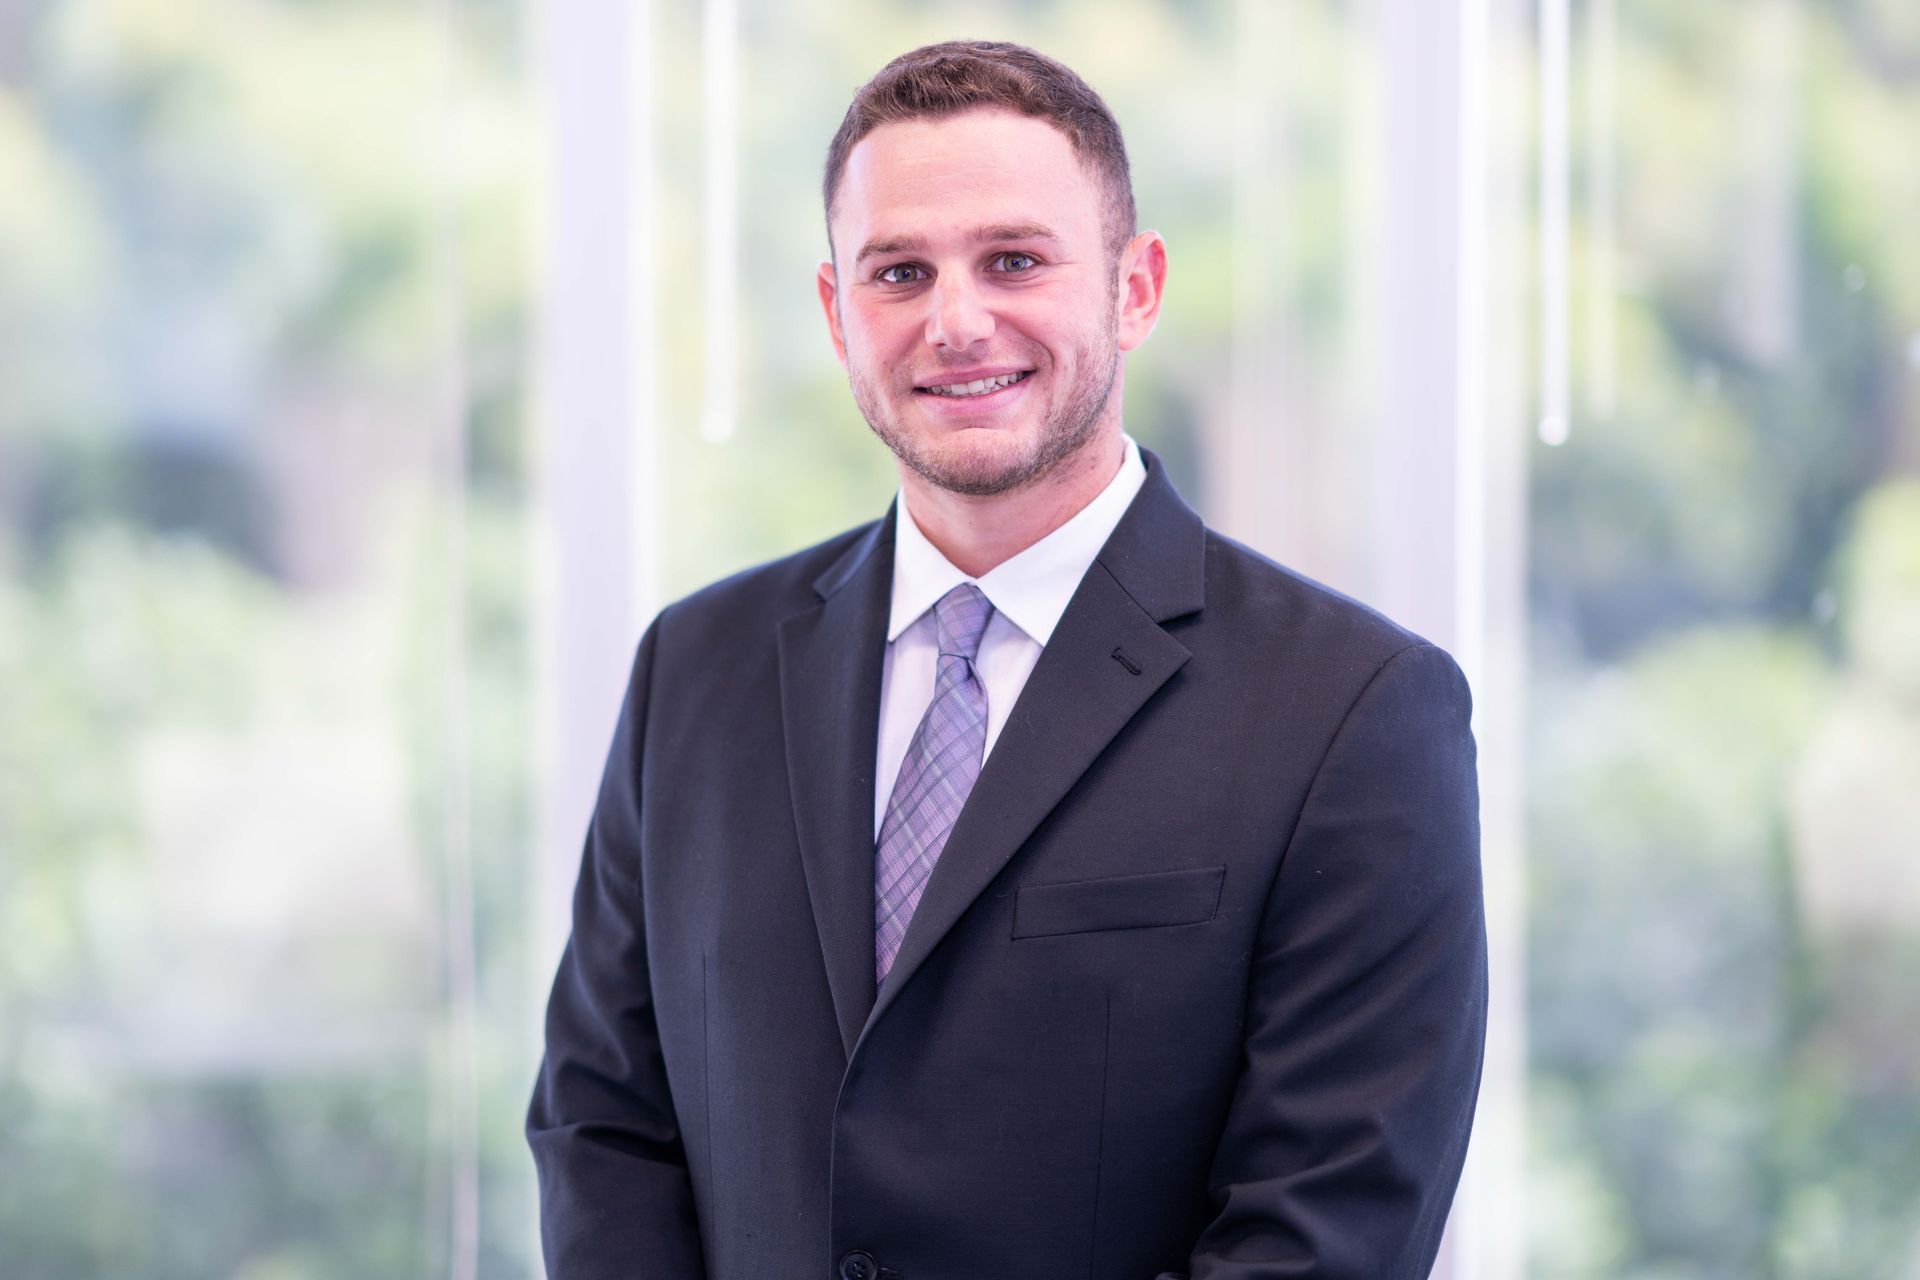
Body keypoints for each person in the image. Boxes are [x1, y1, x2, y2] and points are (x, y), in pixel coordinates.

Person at [527, 40, 1486, 1280]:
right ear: (836, 312)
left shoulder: (1354, 713)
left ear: (1135, 288)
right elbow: (603, 1124)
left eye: (1015, 260)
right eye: (900, 271)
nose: (956, 320)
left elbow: (1327, 1227)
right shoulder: (694, 673)